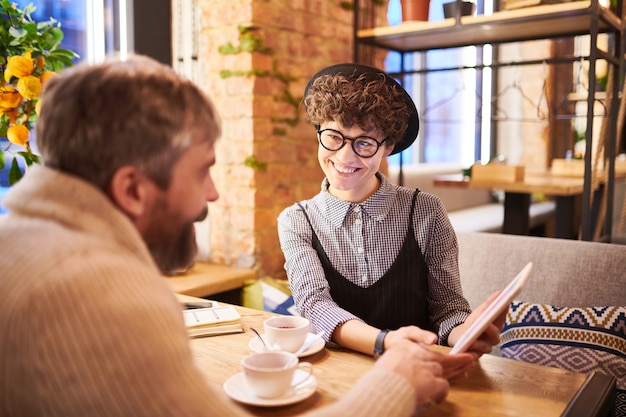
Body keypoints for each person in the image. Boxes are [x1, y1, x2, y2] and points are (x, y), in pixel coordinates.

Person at [0, 55, 457, 417]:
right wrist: (395, 382)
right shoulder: (108, 299)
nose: (213, 194)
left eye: (364, 143)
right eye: (202, 170)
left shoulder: (19, 244)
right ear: (132, 189)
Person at [277, 63, 504, 377]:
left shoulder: (426, 212)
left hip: (421, 372)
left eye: (365, 143)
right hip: (336, 378)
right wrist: (385, 341)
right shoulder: (296, 220)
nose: (344, 157)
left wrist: (466, 334)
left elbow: (448, 310)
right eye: (333, 136)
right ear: (319, 132)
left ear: (388, 147)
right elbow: (315, 307)